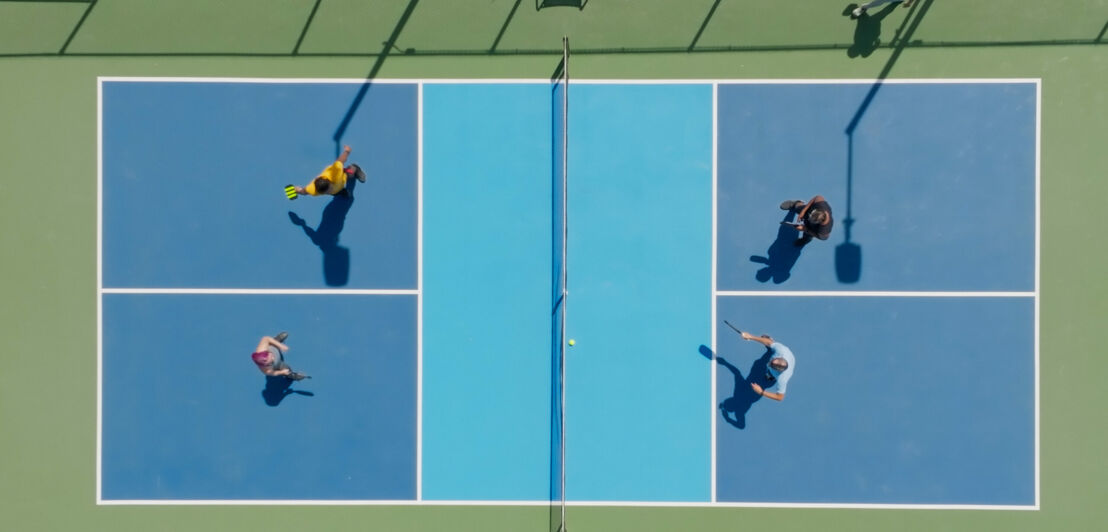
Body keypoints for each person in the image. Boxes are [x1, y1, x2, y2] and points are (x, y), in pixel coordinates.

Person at [737, 331, 795, 401]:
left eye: (771, 364)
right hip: (782, 352)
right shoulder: (781, 350)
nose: (769, 362)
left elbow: (780, 397)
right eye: (773, 360)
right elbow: (769, 342)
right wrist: (750, 337)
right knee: (769, 342)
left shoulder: (782, 379)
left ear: (778, 371)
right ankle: (771, 344)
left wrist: (761, 392)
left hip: (773, 373)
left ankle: (771, 376)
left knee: (769, 375)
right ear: (780, 357)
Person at [293, 145, 366, 198]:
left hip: (343, 176)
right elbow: (304, 191)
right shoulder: (312, 190)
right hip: (338, 189)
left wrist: (347, 151)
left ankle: (356, 169)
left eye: (329, 189)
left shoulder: (335, 173)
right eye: (326, 192)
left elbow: (340, 161)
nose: (329, 192)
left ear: (329, 182)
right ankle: (342, 191)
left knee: (351, 171)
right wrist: (297, 190)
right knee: (336, 193)